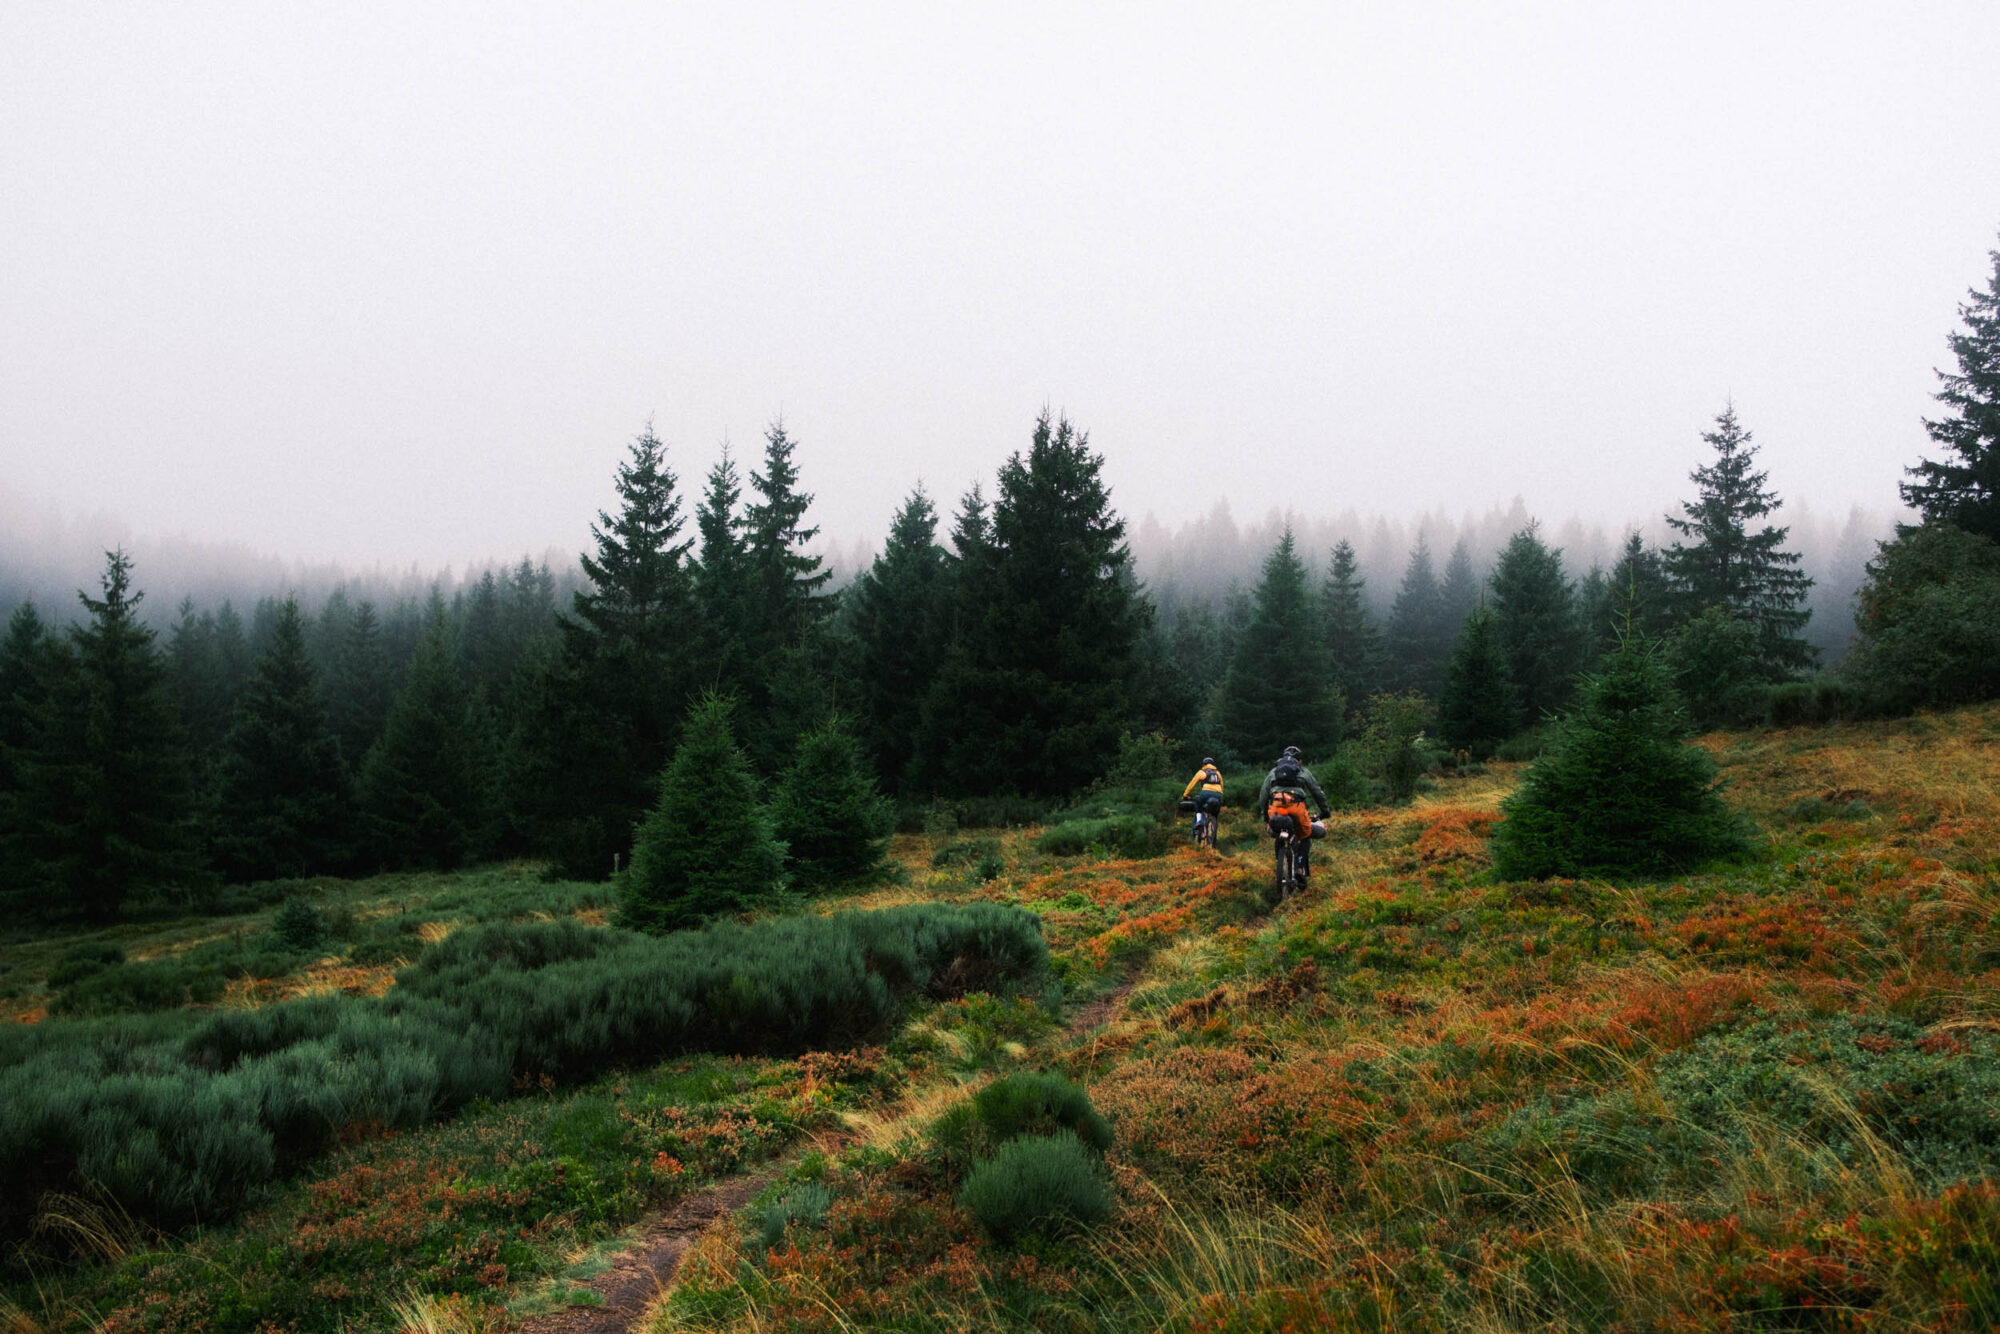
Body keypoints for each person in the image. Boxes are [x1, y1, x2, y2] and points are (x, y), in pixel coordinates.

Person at [1257, 745, 1330, 878]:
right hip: (1296, 807)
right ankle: (1300, 867)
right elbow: (1317, 793)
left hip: (1276, 807)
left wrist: (1265, 816)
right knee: (1305, 835)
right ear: (1300, 760)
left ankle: (1280, 863)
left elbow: (1263, 795)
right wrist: (1325, 811)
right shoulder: (1303, 772)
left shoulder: (1274, 772)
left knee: (1278, 832)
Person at [1181, 757, 1224, 844]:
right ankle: (1213, 831)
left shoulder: (1202, 772)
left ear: (1204, 764)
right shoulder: (1217, 773)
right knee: (1215, 812)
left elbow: (1192, 783)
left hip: (1206, 793)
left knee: (1198, 804)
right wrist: (1220, 795)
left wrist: (1185, 795)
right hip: (1218, 794)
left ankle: (1200, 821)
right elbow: (1222, 785)